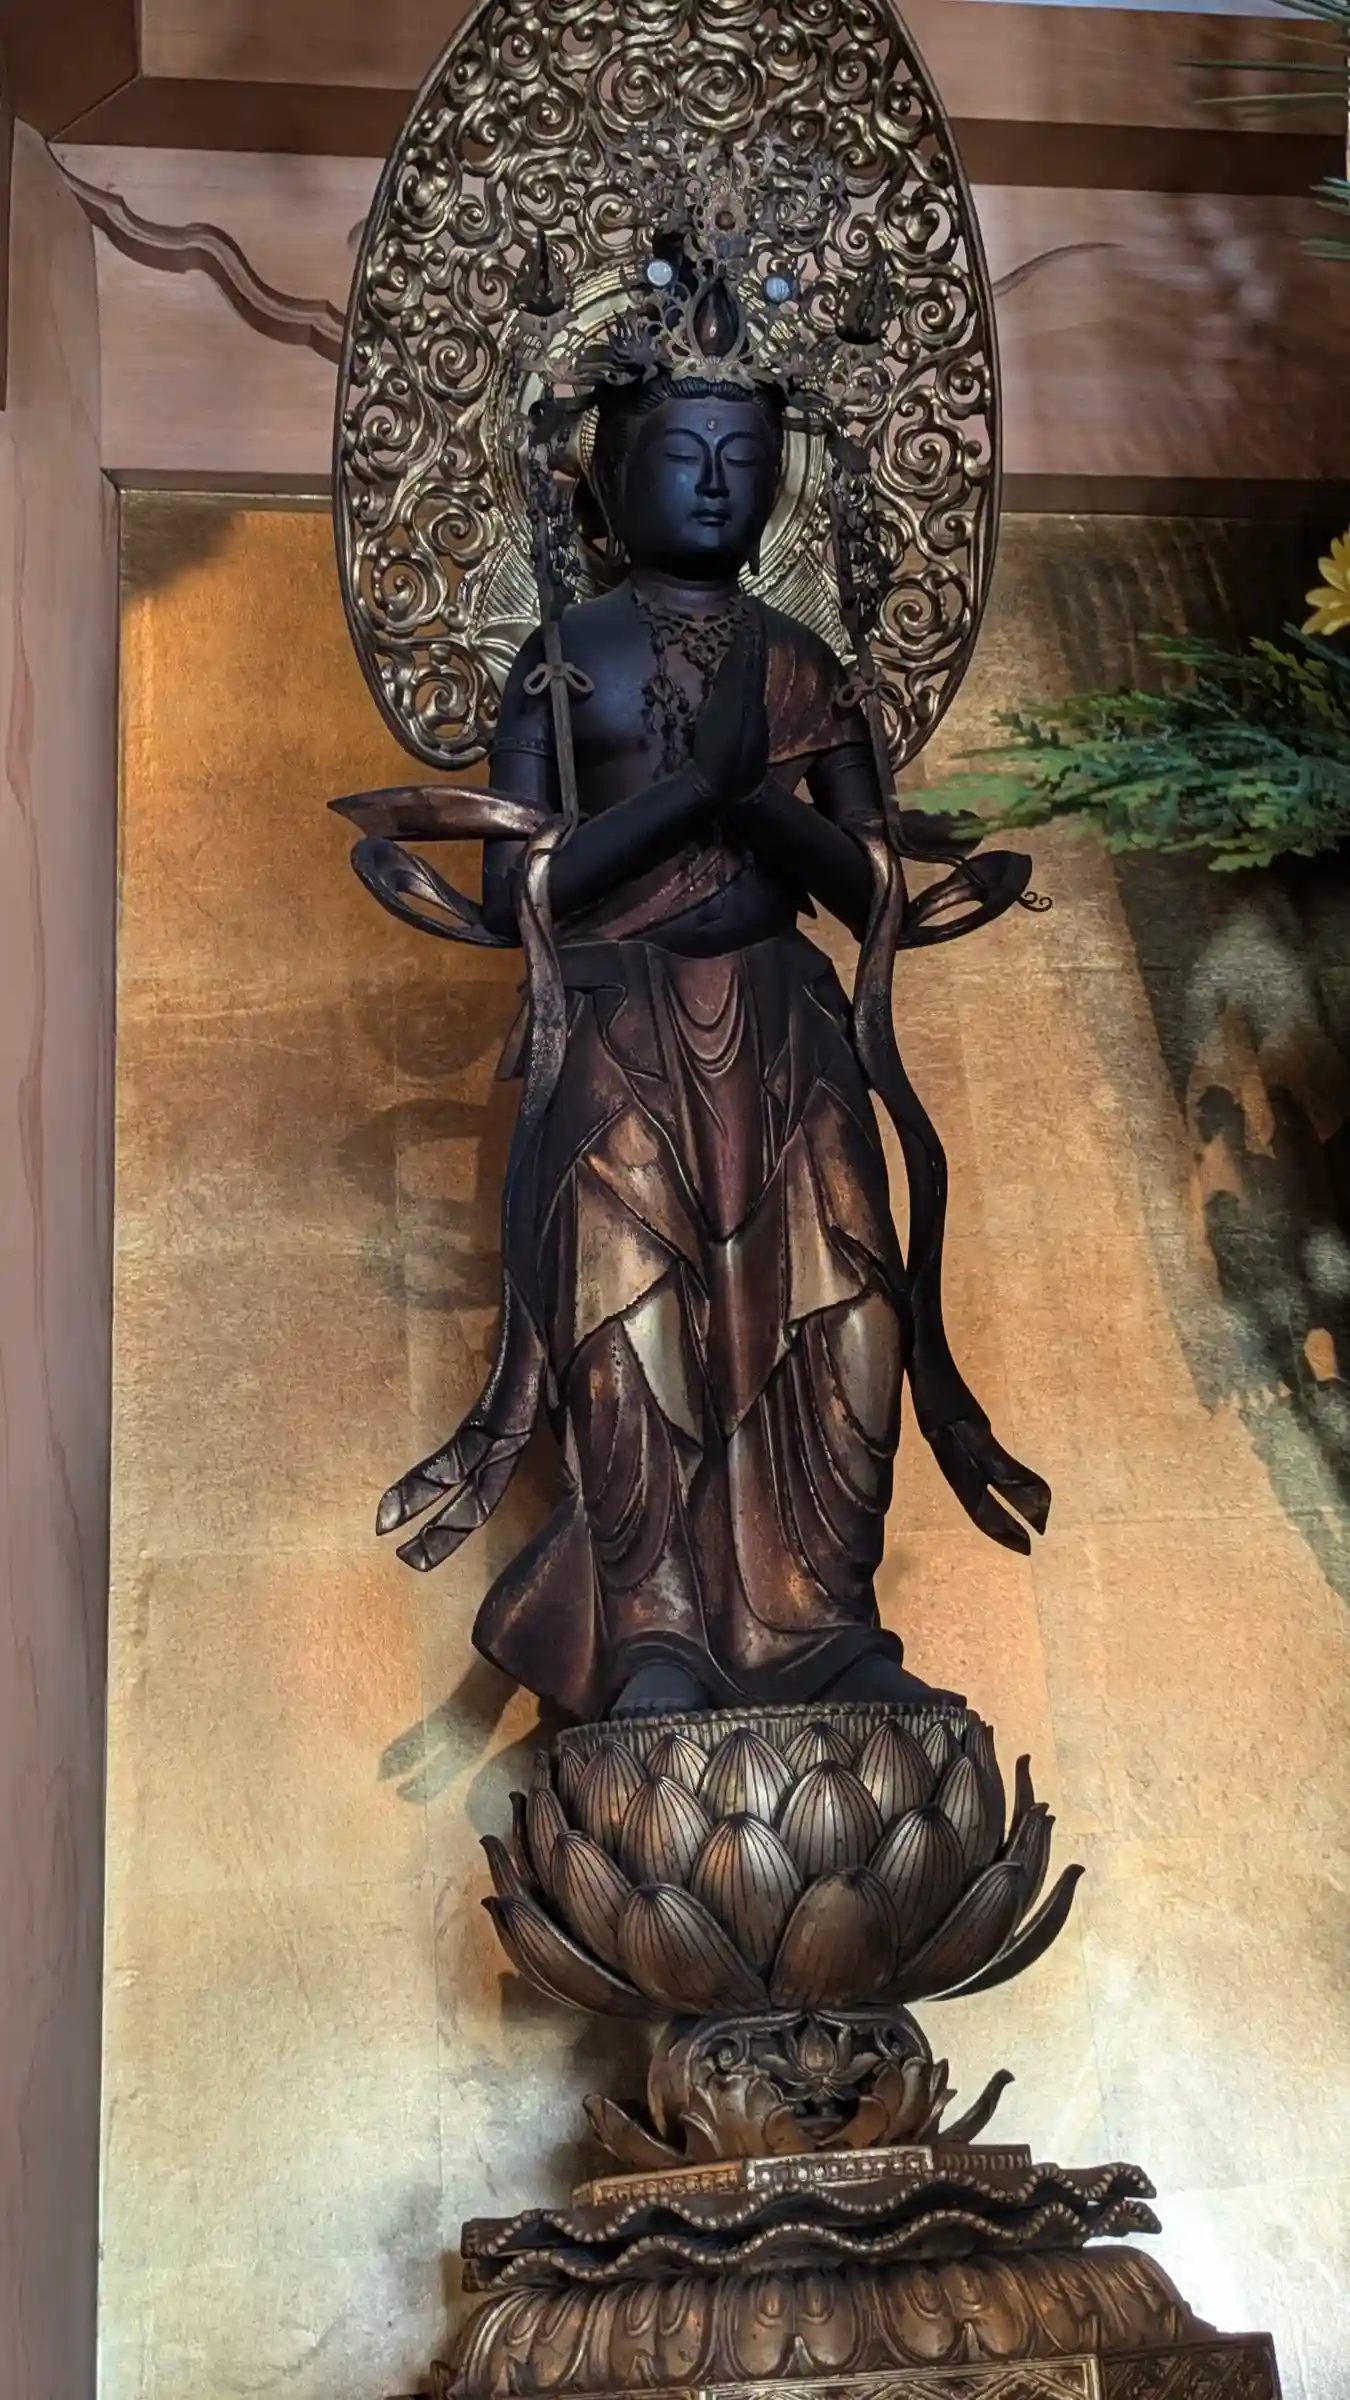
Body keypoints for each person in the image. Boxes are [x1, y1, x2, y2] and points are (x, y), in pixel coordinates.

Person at [369, 326, 1049, 1723]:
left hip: (789, 1029)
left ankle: (825, 1619)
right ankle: (653, 1632)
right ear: (604, 482)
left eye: (743, 459)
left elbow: (872, 892)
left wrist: (760, 810)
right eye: (679, 455)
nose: (714, 483)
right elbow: (513, 892)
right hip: (619, 1030)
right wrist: (693, 795)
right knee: (628, 1313)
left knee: (846, 1304)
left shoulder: (806, 660)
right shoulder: (564, 660)